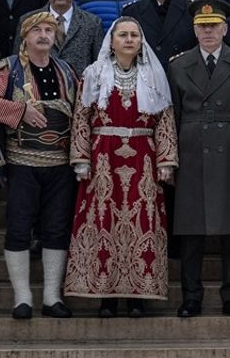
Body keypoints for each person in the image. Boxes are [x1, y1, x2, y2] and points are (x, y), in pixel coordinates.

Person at [66, 17, 178, 318]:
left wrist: (166, 160)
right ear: (111, 41)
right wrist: (81, 157)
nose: (129, 40)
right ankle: (106, 297)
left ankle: (137, 297)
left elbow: (165, 120)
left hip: (142, 159)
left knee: (142, 223)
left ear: (141, 41)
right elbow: (82, 117)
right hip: (103, 159)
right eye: (123, 35)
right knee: (104, 225)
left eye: (134, 35)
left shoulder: (154, 75)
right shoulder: (95, 74)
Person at [0, 12, 79, 319]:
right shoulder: (8, 68)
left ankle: (51, 296)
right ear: (25, 36)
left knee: (57, 229)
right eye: (37, 30)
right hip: (22, 164)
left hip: (60, 165)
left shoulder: (67, 70)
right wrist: (19, 111)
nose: (44, 35)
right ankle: (22, 297)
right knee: (19, 228)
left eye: (49, 30)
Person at [167, 0, 230, 319]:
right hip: (191, 149)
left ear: (225, 28)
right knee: (190, 229)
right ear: (194, 30)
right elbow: (172, 116)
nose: (208, 31)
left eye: (213, 26)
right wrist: (171, 157)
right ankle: (191, 296)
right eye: (202, 27)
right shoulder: (177, 65)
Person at [17, 0, 106, 78]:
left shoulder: (92, 23)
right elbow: (18, 62)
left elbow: (99, 66)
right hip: (37, 91)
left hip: (79, 92)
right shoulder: (28, 21)